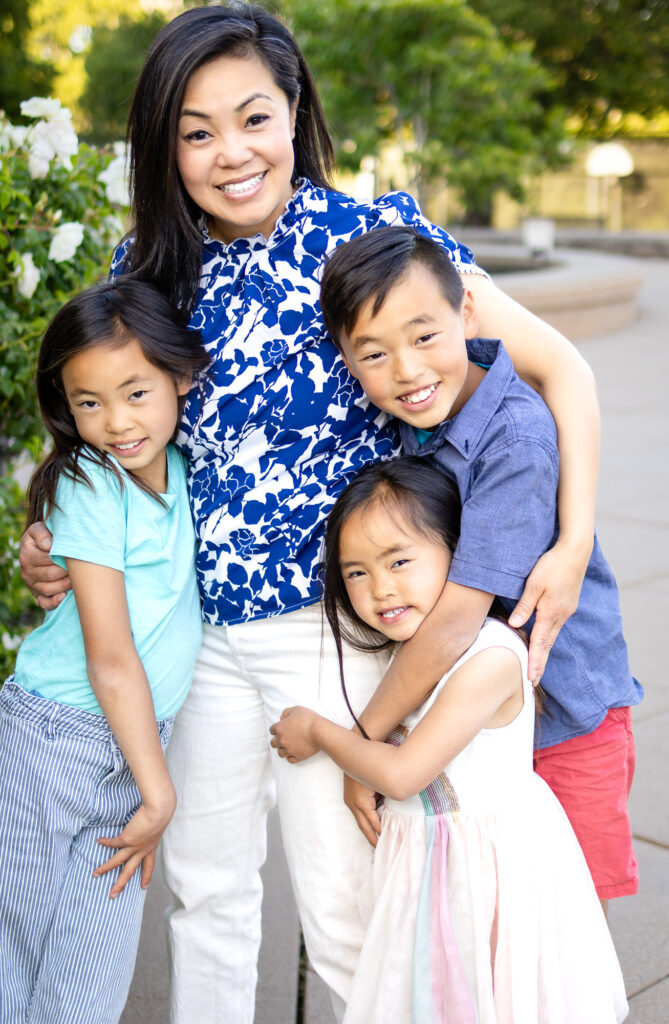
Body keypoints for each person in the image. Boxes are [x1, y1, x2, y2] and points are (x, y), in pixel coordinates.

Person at [18, 5, 604, 1021]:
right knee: (206, 889)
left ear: (296, 110)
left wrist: (577, 532)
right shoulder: (149, 271)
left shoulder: (373, 243)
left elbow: (560, 364)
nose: (229, 152)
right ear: (166, 147)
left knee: (344, 902)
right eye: (196, 132)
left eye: (253, 118)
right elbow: (102, 426)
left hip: (327, 630)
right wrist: (51, 536)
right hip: (204, 632)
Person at [318, 225, 642, 912]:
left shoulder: (514, 437)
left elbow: (456, 620)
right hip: (485, 718)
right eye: (373, 354)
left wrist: (361, 742)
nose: (406, 370)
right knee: (495, 919)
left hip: (563, 718)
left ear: (467, 313)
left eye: (424, 337)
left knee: (569, 925)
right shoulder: (423, 415)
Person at [270, 458, 629, 1024]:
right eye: (356, 572)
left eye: (399, 561)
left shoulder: (489, 657)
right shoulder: (407, 656)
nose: (380, 587)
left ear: (461, 556)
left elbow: (402, 774)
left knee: (501, 1000)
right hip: (438, 871)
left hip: (493, 877)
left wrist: (318, 730)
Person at [0, 279, 207, 1024]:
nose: (116, 421)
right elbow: (109, 657)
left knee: (89, 978)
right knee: (13, 958)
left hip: (133, 750)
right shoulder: (89, 482)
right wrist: (159, 794)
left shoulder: (184, 475)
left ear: (181, 378)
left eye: (136, 392)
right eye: (89, 402)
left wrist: (145, 783)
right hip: (51, 744)